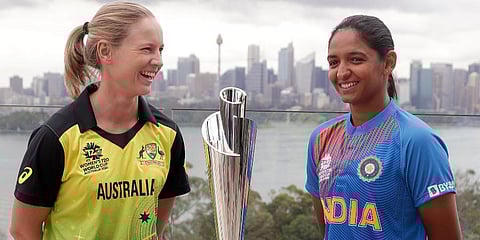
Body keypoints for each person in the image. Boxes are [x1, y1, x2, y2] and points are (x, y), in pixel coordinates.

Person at [10, 1, 190, 239]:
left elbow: (157, 223)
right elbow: (23, 231)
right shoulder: (56, 138)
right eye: (147, 49)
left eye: (160, 49)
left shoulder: (168, 134)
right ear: (105, 52)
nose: (158, 60)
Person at [305, 15, 462, 239]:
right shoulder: (321, 139)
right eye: (334, 62)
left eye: (356, 60)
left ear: (388, 63)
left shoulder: (417, 141)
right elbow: (329, 229)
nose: (341, 72)